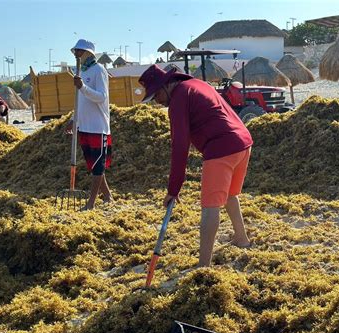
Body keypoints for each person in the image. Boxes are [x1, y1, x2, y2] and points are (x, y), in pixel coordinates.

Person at [138, 65, 253, 267]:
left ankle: (203, 266)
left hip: (222, 148)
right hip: (243, 143)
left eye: (156, 95)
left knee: (210, 206)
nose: (157, 102)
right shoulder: (197, 84)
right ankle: (241, 239)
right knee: (229, 195)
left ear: (166, 86)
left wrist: (173, 189)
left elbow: (179, 146)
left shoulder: (179, 98)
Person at [65, 39, 113, 209]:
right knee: (94, 165)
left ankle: (91, 203)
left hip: (97, 126)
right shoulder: (81, 72)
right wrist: (73, 119)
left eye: (79, 51)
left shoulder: (98, 70)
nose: (76, 55)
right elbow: (80, 101)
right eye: (75, 52)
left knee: (98, 166)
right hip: (83, 126)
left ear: (88, 53)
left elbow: (101, 97)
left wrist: (83, 87)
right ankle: (107, 196)